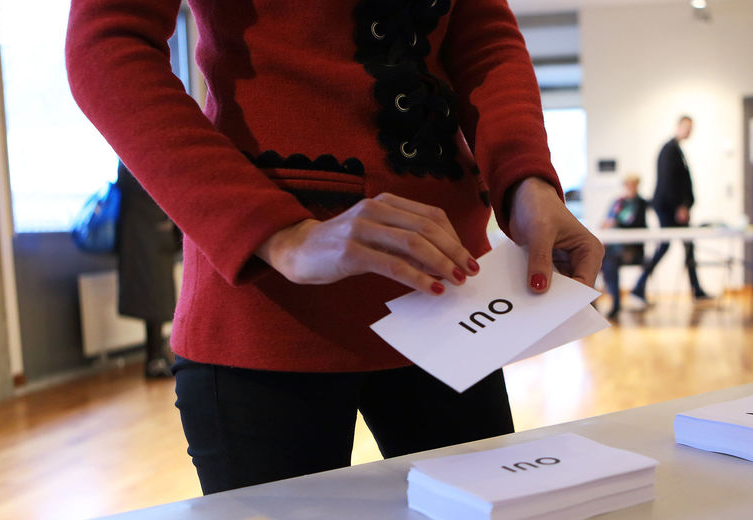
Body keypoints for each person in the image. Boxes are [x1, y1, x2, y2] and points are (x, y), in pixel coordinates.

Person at [66, 0, 604, 494]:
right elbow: (108, 42)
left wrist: (525, 178)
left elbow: (481, 34)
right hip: (273, 309)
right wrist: (276, 230)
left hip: (451, 299)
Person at [631, 115, 709, 304]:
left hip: (673, 208)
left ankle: (696, 289)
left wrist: (686, 204)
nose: (689, 131)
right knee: (666, 246)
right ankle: (638, 287)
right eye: (686, 127)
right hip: (668, 208)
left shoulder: (676, 150)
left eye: (691, 128)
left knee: (687, 245)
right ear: (678, 127)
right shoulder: (669, 150)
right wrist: (680, 207)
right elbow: (668, 183)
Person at [115, 162, 181, 378]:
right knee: (152, 299)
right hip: (144, 236)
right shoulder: (131, 161)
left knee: (158, 299)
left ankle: (157, 354)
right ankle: (154, 358)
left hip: (155, 235)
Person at [599, 174, 649, 319]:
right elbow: (605, 222)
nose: (630, 187)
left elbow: (637, 225)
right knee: (603, 261)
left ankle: (615, 302)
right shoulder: (617, 202)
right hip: (614, 249)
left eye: (633, 184)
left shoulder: (641, 203)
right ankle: (609, 300)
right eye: (628, 184)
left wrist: (616, 224)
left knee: (609, 262)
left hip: (633, 249)